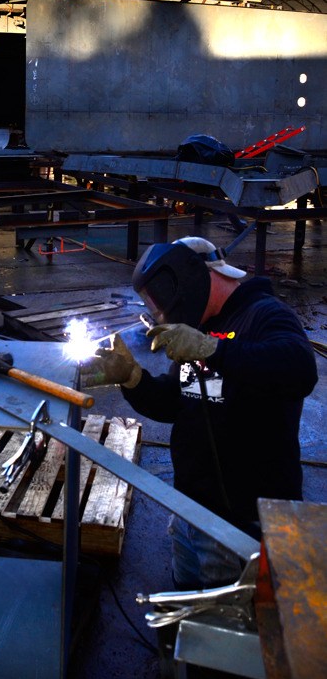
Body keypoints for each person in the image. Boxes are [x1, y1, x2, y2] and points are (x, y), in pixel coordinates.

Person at [83, 236, 317, 590]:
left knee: (226, 635)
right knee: (187, 620)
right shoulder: (202, 329)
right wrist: (133, 379)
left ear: (191, 275)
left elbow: (300, 369)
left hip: (242, 528)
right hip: (190, 514)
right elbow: (179, 403)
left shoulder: (265, 314)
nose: (161, 312)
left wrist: (214, 350)